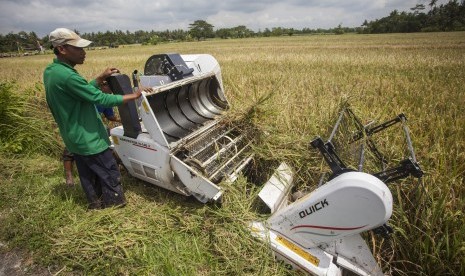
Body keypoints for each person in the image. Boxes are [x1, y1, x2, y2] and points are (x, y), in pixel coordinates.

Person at [44, 28, 152, 209]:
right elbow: (99, 98)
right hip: (89, 138)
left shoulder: (52, 71)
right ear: (62, 49)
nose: (83, 52)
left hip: (74, 137)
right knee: (110, 173)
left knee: (88, 176)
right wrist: (134, 95)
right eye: (78, 48)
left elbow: (80, 91)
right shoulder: (68, 75)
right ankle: (115, 208)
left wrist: (99, 78)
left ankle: (96, 206)